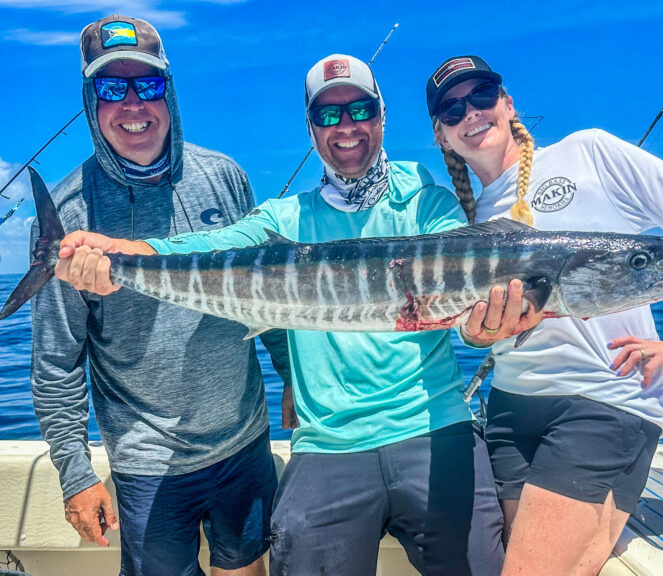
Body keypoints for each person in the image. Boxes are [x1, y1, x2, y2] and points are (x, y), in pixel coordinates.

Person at [55, 53, 544, 576]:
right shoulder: (282, 219)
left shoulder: (428, 203)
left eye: (359, 109)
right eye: (328, 116)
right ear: (311, 129)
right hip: (328, 446)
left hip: (436, 429)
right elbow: (213, 245)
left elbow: (469, 312)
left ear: (381, 115)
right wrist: (126, 252)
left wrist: (484, 328)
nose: (346, 126)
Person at [426, 55, 663, 576]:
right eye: (451, 108)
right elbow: (473, 333)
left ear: (507, 104)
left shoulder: (589, 153)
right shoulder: (463, 221)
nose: (471, 113)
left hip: (604, 399)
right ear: (442, 135)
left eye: (483, 95)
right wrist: (479, 333)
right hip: (511, 410)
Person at [31, 15, 290, 576]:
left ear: (168, 92)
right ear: (90, 99)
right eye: (110, 88)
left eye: (146, 85)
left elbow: (270, 297)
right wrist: (76, 473)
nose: (132, 104)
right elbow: (56, 364)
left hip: (244, 441)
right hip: (147, 464)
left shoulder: (225, 177)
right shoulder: (69, 213)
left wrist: (292, 377)